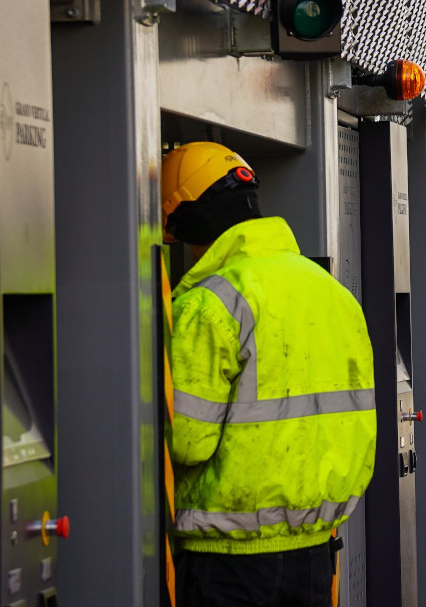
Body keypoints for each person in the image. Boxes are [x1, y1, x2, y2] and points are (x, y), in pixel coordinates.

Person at [161, 141, 377, 607]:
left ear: (186, 221)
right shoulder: (334, 295)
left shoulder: (210, 302)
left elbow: (186, 441)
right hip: (316, 551)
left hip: (229, 557)